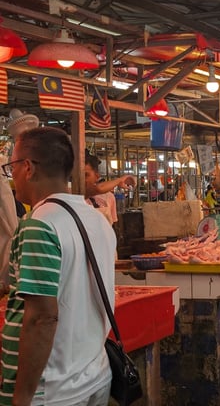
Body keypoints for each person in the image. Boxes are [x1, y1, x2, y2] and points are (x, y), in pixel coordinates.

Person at [1, 127, 115, 405]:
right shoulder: (96, 218)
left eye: (11, 167)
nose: (11, 176)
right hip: (95, 375)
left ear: (28, 168)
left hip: (51, 390)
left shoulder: (39, 224)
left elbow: (42, 318)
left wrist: (22, 396)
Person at [84, 151, 136, 224]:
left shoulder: (109, 196)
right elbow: (98, 189)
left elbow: (113, 223)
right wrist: (119, 180)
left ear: (97, 176)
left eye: (86, 175)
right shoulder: (74, 192)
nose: (82, 179)